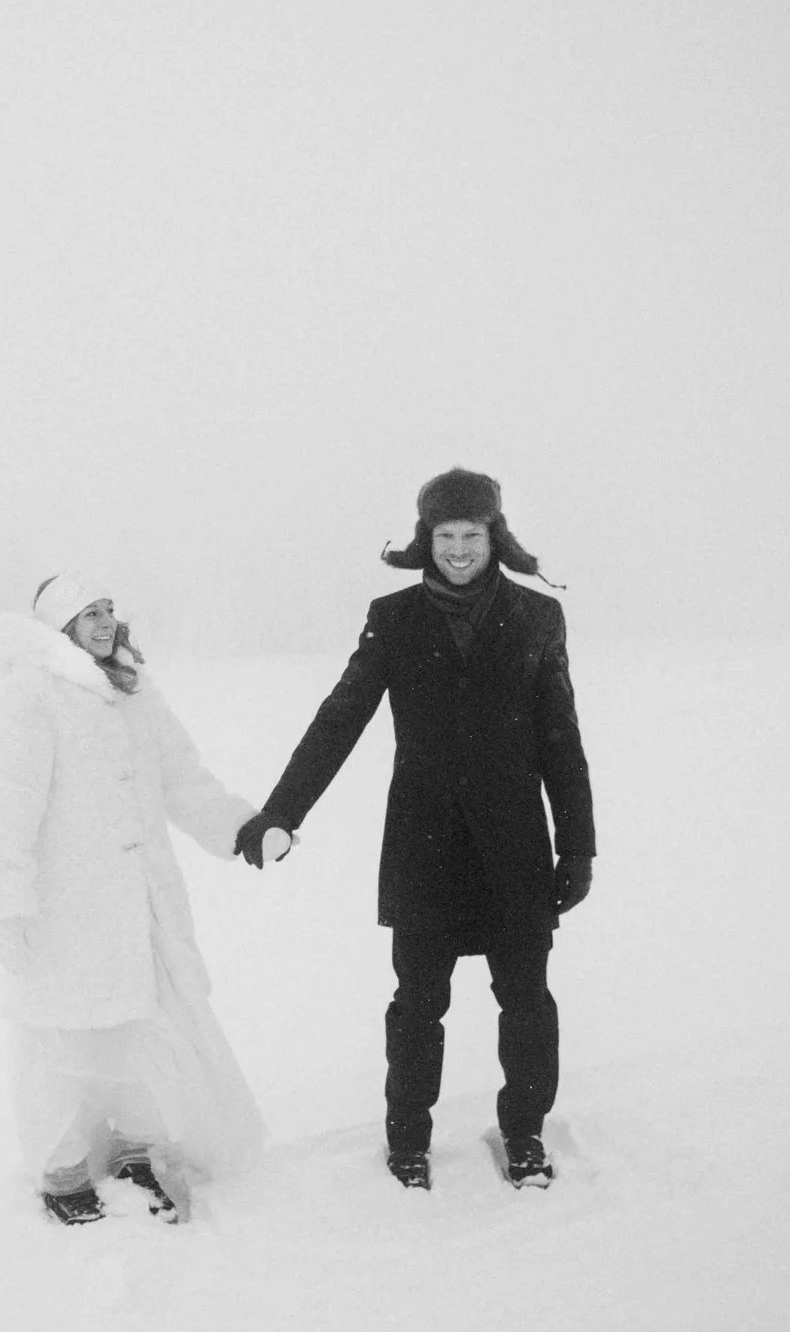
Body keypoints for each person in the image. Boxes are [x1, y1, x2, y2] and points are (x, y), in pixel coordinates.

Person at [235, 468, 595, 1191]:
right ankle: (408, 1141)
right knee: (418, 1004)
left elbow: (561, 737)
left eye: (471, 535)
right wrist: (281, 812)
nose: (458, 549)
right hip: (425, 844)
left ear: (495, 536)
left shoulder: (536, 619)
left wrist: (577, 843)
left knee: (526, 999)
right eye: (445, 536)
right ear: (424, 539)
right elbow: (340, 718)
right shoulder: (394, 618)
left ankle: (524, 1132)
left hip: (515, 843)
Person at [0, 571, 267, 1225]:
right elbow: (2, 812)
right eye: (87, 614)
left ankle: (134, 1152)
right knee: (64, 1042)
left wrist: (241, 829)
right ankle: (63, 1170)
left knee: (143, 1029)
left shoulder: (134, 689)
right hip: (65, 912)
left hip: (140, 906)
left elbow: (183, 779)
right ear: (59, 628)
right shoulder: (31, 696)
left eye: (108, 610)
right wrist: (7, 908)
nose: (103, 622)